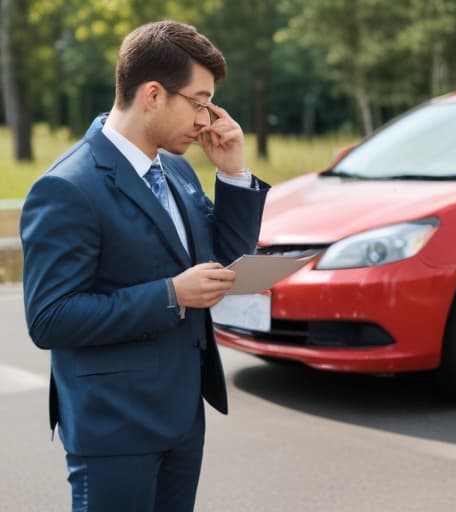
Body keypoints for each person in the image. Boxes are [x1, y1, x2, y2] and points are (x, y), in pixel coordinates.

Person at [20, 19, 269, 512]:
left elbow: (221, 260)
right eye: (199, 102)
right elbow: (49, 318)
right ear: (153, 94)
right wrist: (172, 294)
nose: (207, 119)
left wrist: (234, 173)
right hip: (113, 431)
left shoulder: (176, 167)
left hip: (181, 419)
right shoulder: (68, 188)